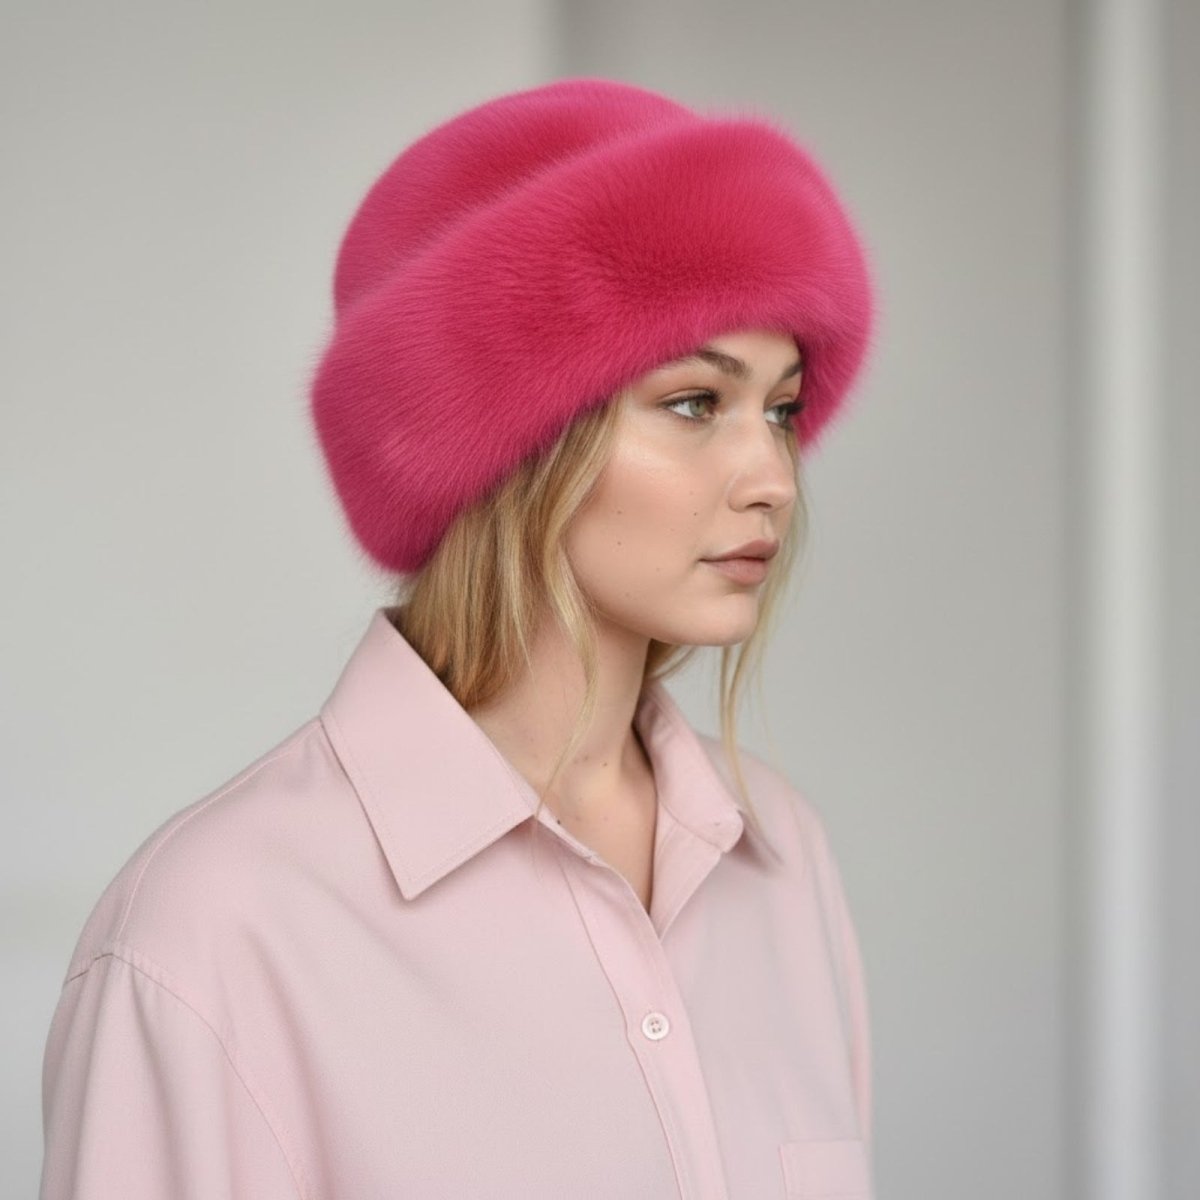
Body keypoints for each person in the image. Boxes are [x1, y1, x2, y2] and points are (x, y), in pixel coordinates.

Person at [39, 76, 879, 1199]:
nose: (773, 478)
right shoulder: (214, 935)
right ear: (517, 440)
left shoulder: (783, 860)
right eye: (694, 404)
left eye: (780, 409)